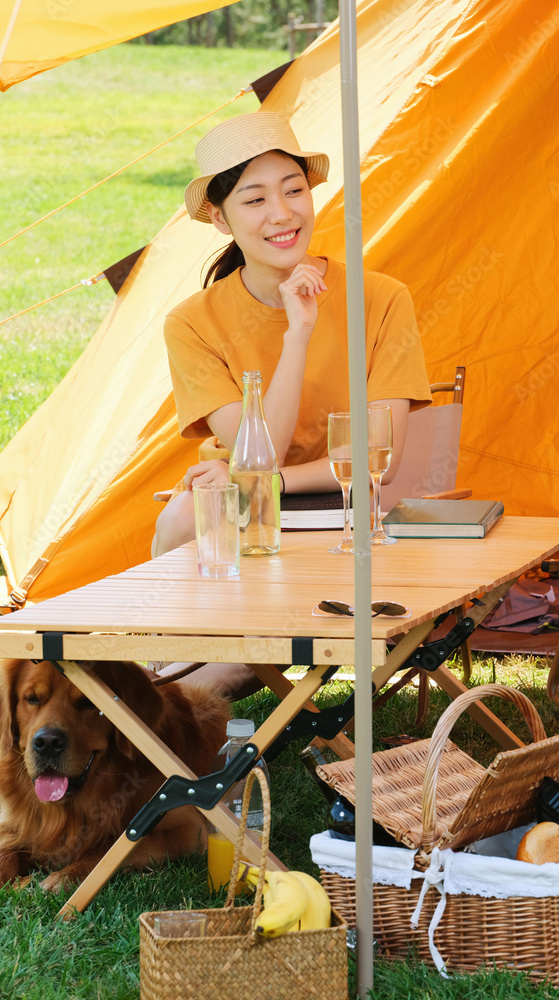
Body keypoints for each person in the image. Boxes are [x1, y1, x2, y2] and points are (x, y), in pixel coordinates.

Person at [152, 111, 432, 699]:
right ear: (220, 218)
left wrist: (268, 481)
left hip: (353, 512)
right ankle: (171, 677)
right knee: (179, 517)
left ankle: (173, 699)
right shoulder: (191, 324)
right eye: (254, 200)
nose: (282, 214)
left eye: (294, 190)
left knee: (206, 515)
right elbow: (260, 456)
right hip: (247, 514)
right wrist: (297, 335)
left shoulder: (381, 298)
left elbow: (377, 456)